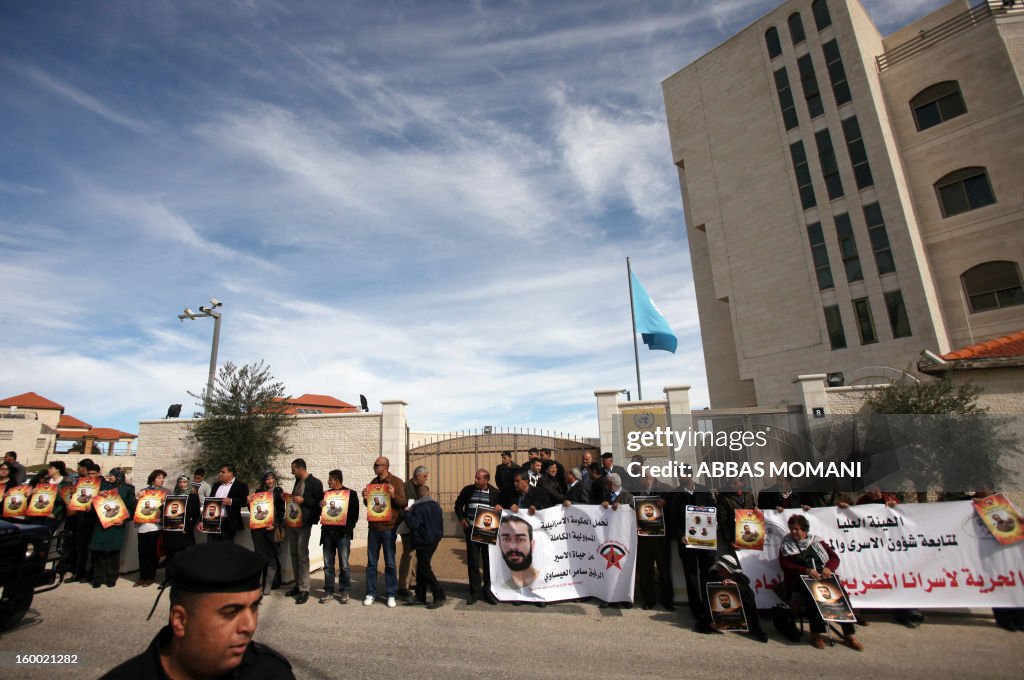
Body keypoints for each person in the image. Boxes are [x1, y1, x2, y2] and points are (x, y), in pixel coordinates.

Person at [100, 541, 293, 679]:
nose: (249, 626)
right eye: (231, 612)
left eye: (254, 607)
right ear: (179, 620)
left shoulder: (271, 672)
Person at [779, 514, 863, 651]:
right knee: (813, 597)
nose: (793, 532)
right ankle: (816, 633)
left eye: (796, 529)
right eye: (791, 529)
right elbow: (785, 565)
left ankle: (849, 634)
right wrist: (805, 570)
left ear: (804, 530)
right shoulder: (787, 544)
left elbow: (834, 558)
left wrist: (829, 568)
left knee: (841, 597)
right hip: (802, 579)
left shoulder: (817, 542)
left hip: (824, 578)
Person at [973, 478, 1024, 632]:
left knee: (1015, 584)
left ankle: (1019, 619)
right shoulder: (971, 505)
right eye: (978, 488)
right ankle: (1004, 619)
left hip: (1009, 552)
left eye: (983, 487)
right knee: (996, 585)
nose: (981, 491)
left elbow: (1016, 523)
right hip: (988, 553)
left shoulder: (1002, 503)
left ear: (991, 488)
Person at [670, 475, 716, 631]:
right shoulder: (675, 494)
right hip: (687, 541)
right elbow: (673, 518)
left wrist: (708, 514)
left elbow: (714, 511)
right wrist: (680, 535)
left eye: (683, 475)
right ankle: (695, 608)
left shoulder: (704, 491)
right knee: (691, 576)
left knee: (707, 574)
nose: (680, 478)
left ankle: (709, 607)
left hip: (705, 541)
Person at [362, 456, 407, 608]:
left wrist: (394, 495)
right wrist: (365, 497)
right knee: (371, 563)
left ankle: (391, 594)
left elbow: (403, 502)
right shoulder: (373, 483)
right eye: (375, 465)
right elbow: (369, 505)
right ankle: (371, 592)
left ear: (385, 466)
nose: (374, 467)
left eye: (376, 465)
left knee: (390, 562)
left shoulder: (397, 482)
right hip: (374, 528)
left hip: (389, 527)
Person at [454, 468, 502, 605]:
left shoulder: (494, 493)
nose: (475, 480)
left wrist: (499, 507)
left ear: (486, 480)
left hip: (487, 531)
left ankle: (488, 591)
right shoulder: (468, 490)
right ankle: (474, 592)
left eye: (479, 478)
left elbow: (501, 507)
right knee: (473, 562)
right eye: (475, 477)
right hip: (471, 530)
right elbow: (458, 505)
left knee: (488, 563)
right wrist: (462, 518)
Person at [283, 458, 323, 605]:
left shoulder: (315, 483)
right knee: (294, 554)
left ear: (301, 468)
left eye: (293, 469)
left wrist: (303, 501)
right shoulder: (297, 481)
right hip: (293, 522)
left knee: (302, 555)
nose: (292, 472)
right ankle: (297, 585)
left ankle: (305, 589)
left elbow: (318, 504)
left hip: (304, 524)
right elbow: (296, 500)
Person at [89, 467, 136, 588]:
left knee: (113, 553)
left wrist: (124, 520)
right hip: (102, 523)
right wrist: (98, 496)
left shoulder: (127, 489)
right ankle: (97, 577)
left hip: (117, 525)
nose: (109, 477)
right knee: (99, 552)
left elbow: (132, 507)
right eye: (109, 475)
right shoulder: (103, 487)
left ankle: (111, 577)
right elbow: (93, 502)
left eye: (112, 475)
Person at [635, 471, 674, 611]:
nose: (640, 480)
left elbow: (674, 509)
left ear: (649, 478)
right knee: (646, 569)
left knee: (663, 569)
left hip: (660, 538)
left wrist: (666, 504)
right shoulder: (639, 492)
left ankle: (667, 599)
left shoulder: (665, 489)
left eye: (642, 477)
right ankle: (649, 599)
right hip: (645, 537)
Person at [705, 554, 768, 642]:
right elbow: (709, 598)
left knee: (747, 594)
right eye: (719, 567)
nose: (720, 569)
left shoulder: (739, 577)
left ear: (729, 571)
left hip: (736, 609)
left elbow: (749, 596)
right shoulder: (713, 574)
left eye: (723, 568)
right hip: (718, 610)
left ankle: (743, 623)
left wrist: (736, 586)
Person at [402, 484, 446, 608]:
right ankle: (420, 595)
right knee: (421, 566)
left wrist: (407, 513)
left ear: (418, 495)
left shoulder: (417, 507)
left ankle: (439, 595)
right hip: (434, 539)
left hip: (422, 540)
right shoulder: (436, 506)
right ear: (429, 493)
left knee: (424, 568)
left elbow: (413, 524)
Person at [319, 469, 358, 604]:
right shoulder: (326, 495)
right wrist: (321, 505)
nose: (328, 481)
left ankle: (344, 590)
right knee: (328, 565)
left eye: (330, 479)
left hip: (343, 536)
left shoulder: (350, 494)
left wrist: (347, 530)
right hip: (328, 535)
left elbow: (354, 515)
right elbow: (321, 513)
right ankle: (329, 591)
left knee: (344, 565)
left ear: (337, 480)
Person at [246, 470, 285, 597]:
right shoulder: (258, 492)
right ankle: (261, 584)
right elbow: (252, 510)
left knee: (272, 555)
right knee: (260, 555)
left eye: (272, 478)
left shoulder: (278, 492)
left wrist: (275, 525)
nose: (270, 481)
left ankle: (269, 584)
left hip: (271, 528)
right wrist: (249, 502)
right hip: (258, 529)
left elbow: (281, 511)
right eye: (267, 479)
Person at [398, 465, 428, 597]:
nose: (426, 479)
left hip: (419, 526)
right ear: (418, 476)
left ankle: (413, 580)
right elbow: (400, 505)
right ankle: (403, 585)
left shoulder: (422, 489)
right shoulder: (405, 487)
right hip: (407, 525)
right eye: (425, 476)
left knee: (416, 554)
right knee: (408, 554)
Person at [135, 469, 168, 588]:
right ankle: (142, 576)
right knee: (142, 552)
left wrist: (166, 503)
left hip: (156, 527)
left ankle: (150, 576)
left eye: (163, 478)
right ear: (153, 478)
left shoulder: (166, 492)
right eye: (159, 478)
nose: (162, 480)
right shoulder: (144, 491)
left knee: (153, 553)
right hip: (143, 527)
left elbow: (169, 511)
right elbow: (136, 508)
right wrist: (138, 498)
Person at [164, 475, 201, 570]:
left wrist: (187, 528)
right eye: (180, 482)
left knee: (185, 554)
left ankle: (184, 578)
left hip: (184, 531)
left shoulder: (192, 496)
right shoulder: (173, 495)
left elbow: (196, 514)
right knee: (170, 554)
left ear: (188, 483)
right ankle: (170, 578)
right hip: (172, 530)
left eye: (184, 482)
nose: (181, 484)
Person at [209, 464, 249, 544]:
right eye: (220, 472)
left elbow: (244, 502)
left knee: (226, 550)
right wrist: (201, 520)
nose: (220, 474)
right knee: (211, 548)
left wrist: (231, 501)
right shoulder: (216, 485)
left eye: (223, 472)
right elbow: (209, 503)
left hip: (228, 523)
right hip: (212, 521)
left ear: (230, 473)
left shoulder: (241, 486)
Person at [498, 514, 539, 590]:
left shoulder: (547, 581)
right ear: (500, 545)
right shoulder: (500, 589)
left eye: (520, 539)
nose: (513, 547)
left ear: (532, 545)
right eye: (506, 539)